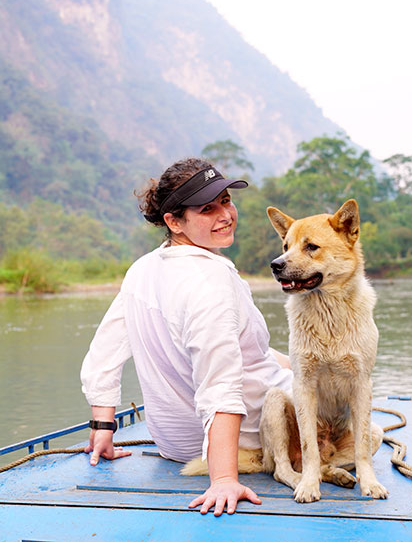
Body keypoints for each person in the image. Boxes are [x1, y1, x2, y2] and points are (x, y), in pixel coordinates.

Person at [80, 157, 293, 516]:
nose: (225, 215)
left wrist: (103, 427)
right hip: (250, 437)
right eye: (207, 209)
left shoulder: (142, 269)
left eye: (226, 201)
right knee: (348, 410)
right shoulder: (210, 282)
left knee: (289, 360)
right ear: (174, 221)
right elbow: (220, 382)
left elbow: (104, 353)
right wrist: (223, 478)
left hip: (176, 444)